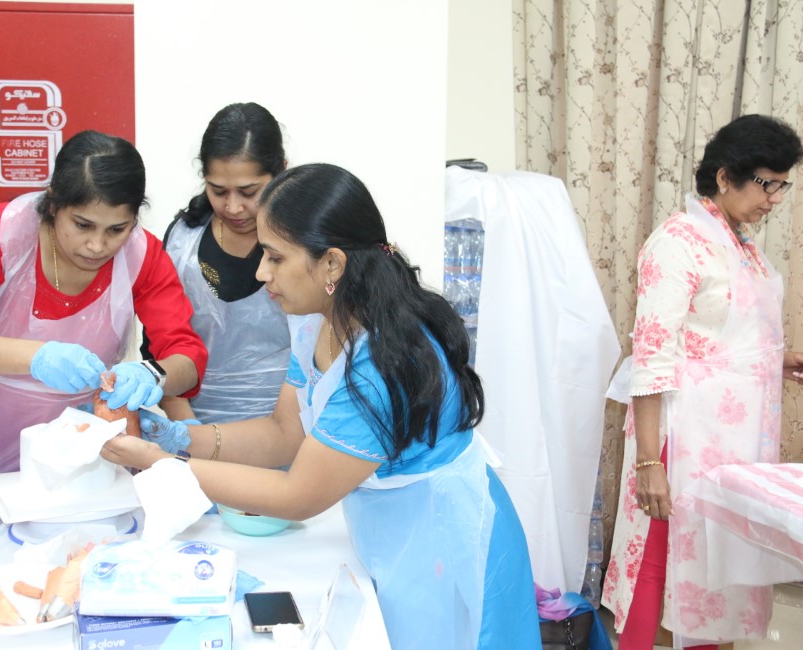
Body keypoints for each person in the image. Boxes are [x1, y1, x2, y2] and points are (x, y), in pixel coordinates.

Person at [102, 163, 542, 648]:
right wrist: (184, 438)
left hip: (445, 541)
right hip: (392, 531)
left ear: (332, 264)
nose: (261, 272)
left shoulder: (381, 366)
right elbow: (284, 434)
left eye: (274, 257)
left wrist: (163, 466)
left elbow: (299, 494)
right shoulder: (316, 322)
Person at [602, 114, 803, 649]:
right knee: (659, 561)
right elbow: (652, 355)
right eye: (766, 183)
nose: (774, 199)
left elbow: (719, 335)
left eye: (782, 186)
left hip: (732, 439)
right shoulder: (678, 242)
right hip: (679, 435)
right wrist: (649, 464)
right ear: (724, 177)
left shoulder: (741, 244)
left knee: (718, 566)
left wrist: (776, 360)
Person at [0, 130, 208, 486]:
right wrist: (37, 357)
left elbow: (187, 356)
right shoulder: (2, 233)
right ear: (54, 204)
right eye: (83, 225)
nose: (97, 245)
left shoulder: (142, 255)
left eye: (117, 229)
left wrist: (152, 375)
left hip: (85, 454)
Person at [142, 102, 289, 424]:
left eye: (248, 191)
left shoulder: (307, 242)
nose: (233, 207)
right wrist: (189, 432)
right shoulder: (182, 241)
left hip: (292, 426)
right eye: (218, 190)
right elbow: (158, 345)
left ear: (281, 171)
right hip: (193, 423)